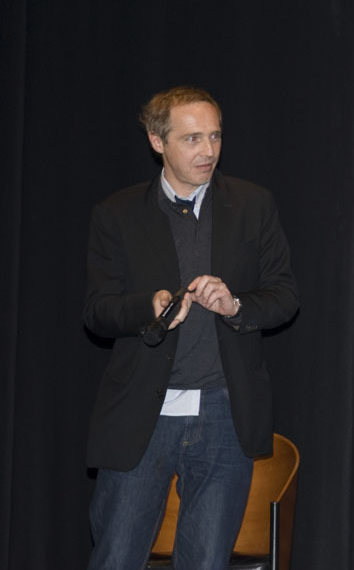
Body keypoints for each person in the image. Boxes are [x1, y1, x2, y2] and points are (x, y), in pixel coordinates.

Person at [83, 86, 299, 570]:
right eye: (193, 139)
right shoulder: (117, 214)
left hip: (225, 413)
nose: (208, 151)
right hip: (142, 413)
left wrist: (235, 304)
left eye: (216, 137)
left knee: (205, 562)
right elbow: (97, 311)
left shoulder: (251, 204)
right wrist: (149, 306)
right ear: (157, 141)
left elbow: (285, 297)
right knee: (117, 557)